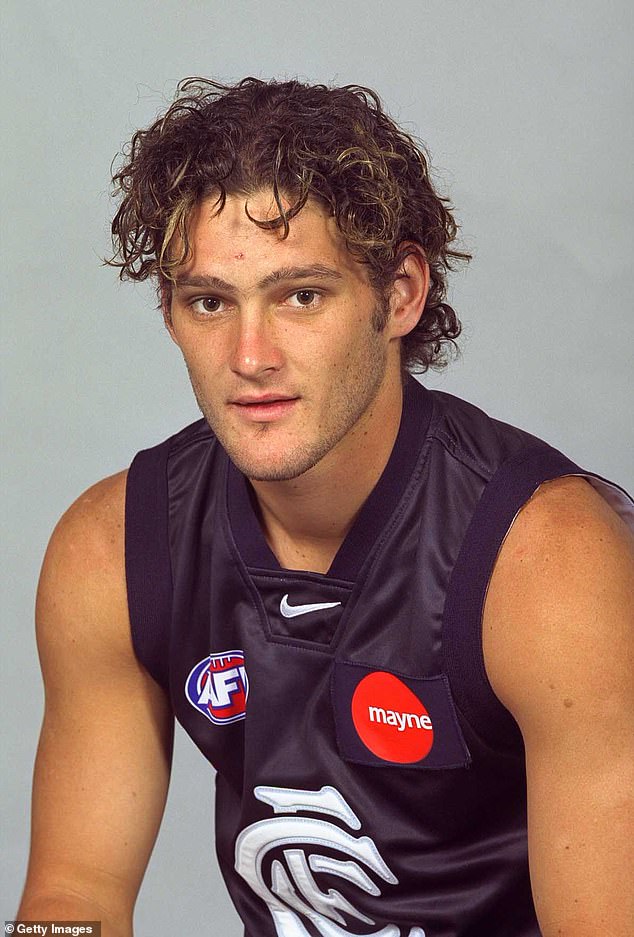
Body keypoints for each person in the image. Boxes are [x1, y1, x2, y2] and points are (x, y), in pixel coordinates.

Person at [19, 78, 634, 937]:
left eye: (300, 295)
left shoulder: (550, 565)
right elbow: (72, 897)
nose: (250, 355)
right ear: (170, 314)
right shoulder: (112, 549)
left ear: (402, 294)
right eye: (209, 302)